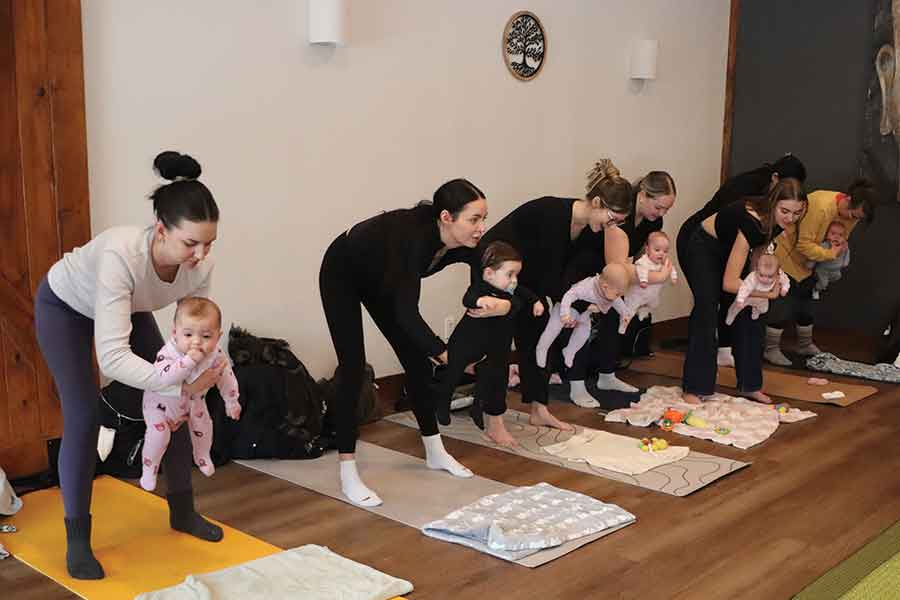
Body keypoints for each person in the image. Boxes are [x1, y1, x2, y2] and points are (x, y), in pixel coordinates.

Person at [34, 151, 226, 580]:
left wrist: (200, 375)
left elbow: (193, 332)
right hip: (65, 308)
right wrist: (174, 382)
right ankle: (78, 540)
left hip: (129, 307)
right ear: (161, 230)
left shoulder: (199, 266)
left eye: (209, 242)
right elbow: (113, 358)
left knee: (176, 407)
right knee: (84, 416)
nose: (200, 254)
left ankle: (183, 511)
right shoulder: (122, 255)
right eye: (190, 243)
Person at [319, 179, 496, 508]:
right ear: (446, 217)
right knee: (353, 368)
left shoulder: (462, 241)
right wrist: (447, 355)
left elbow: (490, 270)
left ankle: (435, 452)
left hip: (384, 277)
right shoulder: (413, 242)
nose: (481, 227)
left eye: (483, 218)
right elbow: (406, 314)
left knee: (416, 362)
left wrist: (504, 300)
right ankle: (348, 472)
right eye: (474, 219)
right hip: (344, 271)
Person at [474, 159, 633, 420]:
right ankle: (492, 415)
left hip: (527, 278)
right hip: (495, 269)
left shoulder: (590, 231)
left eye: (618, 222)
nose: (611, 225)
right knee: (499, 339)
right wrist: (574, 305)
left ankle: (539, 409)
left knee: (538, 336)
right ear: (596, 203)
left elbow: (577, 276)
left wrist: (588, 304)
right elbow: (552, 278)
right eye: (611, 218)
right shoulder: (552, 213)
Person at [679, 178, 807, 405]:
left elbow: (758, 251)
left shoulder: (779, 221)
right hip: (704, 247)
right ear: (773, 203)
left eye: (797, 213)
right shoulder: (751, 221)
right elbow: (730, 283)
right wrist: (766, 293)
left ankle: (750, 384)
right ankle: (695, 387)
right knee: (707, 309)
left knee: (751, 310)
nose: (790, 218)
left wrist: (761, 281)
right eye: (785, 211)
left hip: (732, 248)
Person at [561, 168, 677, 406]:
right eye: (658, 207)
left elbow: (639, 257)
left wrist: (648, 276)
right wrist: (657, 276)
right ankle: (576, 383)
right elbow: (616, 265)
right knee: (583, 322)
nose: (661, 213)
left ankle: (607, 375)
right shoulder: (622, 213)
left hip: (613, 274)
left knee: (616, 317)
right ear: (642, 194)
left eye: (666, 209)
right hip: (587, 269)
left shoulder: (653, 221)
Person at [434, 241, 543, 447]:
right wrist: (481, 302)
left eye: (516, 275)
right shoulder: (481, 288)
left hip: (492, 346)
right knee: (453, 372)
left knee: (491, 376)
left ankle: (478, 407)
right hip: (466, 342)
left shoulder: (510, 292)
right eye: (510, 274)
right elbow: (468, 298)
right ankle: (442, 403)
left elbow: (524, 294)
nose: (514, 280)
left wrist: (536, 302)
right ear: (489, 274)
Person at [766, 180, 877, 364]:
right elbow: (803, 244)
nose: (851, 219)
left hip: (813, 263)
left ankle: (804, 345)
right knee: (783, 304)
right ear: (848, 199)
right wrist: (830, 254)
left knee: (807, 304)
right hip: (788, 254)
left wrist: (838, 249)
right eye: (852, 214)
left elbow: (842, 237)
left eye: (857, 218)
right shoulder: (821, 206)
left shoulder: (853, 216)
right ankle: (770, 348)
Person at [140, 297, 241, 492]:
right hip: (159, 405)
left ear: (218, 336)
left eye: (206, 336)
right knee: (159, 435)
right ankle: (149, 468)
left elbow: (226, 376)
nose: (196, 342)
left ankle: (202, 455)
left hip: (193, 402)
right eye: (188, 334)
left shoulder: (215, 354)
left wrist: (231, 401)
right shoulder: (168, 353)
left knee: (204, 425)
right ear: (175, 333)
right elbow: (167, 378)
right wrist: (189, 361)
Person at [536, 263, 630, 370]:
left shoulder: (609, 290)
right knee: (553, 329)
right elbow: (569, 295)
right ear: (605, 287)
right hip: (567, 307)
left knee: (584, 332)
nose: (618, 297)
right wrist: (564, 313)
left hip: (583, 312)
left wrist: (625, 313)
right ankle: (542, 348)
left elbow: (618, 302)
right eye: (617, 294)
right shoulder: (587, 288)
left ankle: (569, 351)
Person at [617, 230, 678, 332]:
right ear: (647, 250)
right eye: (657, 250)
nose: (661, 254)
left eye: (665, 251)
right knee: (630, 309)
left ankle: (643, 313)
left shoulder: (664, 262)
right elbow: (639, 270)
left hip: (652, 294)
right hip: (638, 294)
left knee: (652, 305)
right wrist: (644, 280)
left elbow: (671, 269)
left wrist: (674, 276)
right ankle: (623, 325)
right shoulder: (644, 261)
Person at [724, 251, 789, 325]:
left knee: (764, 309)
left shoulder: (779, 275)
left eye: (770, 276)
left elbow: (786, 280)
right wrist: (740, 299)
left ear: (777, 273)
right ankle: (731, 314)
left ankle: (756, 310)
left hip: (762, 299)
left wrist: (785, 288)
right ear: (756, 270)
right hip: (748, 297)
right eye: (761, 275)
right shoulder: (752, 277)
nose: (765, 280)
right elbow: (744, 287)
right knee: (736, 307)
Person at [807, 221, 850, 300]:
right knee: (823, 284)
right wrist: (810, 264)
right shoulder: (824, 246)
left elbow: (846, 254)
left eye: (840, 235)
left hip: (836, 270)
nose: (837, 237)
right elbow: (817, 255)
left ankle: (823, 281)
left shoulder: (844, 247)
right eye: (833, 234)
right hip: (823, 270)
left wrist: (845, 263)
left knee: (837, 277)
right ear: (826, 234)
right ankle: (816, 289)